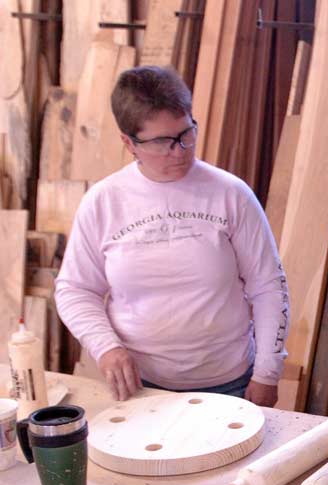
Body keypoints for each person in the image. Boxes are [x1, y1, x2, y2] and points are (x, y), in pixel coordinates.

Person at [56, 66, 290, 407]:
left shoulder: (230, 194)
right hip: (140, 387)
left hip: (230, 383)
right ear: (128, 143)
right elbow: (75, 289)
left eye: (186, 134)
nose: (180, 151)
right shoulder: (104, 202)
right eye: (163, 142)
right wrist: (105, 347)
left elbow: (269, 285)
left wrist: (267, 373)